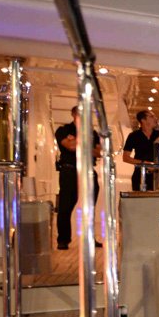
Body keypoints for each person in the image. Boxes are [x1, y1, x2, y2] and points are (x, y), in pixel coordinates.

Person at [54, 105, 102, 250]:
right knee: (66, 205)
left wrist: (77, 142)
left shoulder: (93, 132)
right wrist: (83, 143)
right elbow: (69, 146)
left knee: (90, 206)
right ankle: (63, 239)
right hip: (70, 170)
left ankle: (90, 238)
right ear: (74, 114)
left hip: (88, 170)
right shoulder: (63, 130)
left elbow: (99, 152)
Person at [122, 109, 159, 191]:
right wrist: (145, 163)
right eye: (151, 116)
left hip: (157, 175)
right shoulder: (133, 136)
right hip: (139, 175)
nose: (155, 118)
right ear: (143, 120)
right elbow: (125, 157)